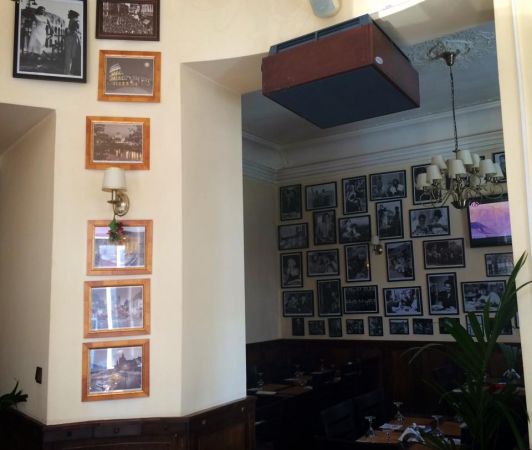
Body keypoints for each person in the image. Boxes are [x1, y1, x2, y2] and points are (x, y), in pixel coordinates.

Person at [64, 9, 81, 75]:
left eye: (69, 14)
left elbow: (75, 31)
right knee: (70, 56)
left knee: (69, 56)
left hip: (72, 39)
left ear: (72, 15)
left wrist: (67, 32)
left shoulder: (75, 21)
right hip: (71, 39)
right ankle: (68, 71)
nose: (68, 15)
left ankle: (67, 72)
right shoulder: (72, 20)